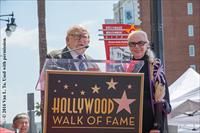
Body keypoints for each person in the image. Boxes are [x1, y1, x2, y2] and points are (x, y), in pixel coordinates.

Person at [127, 30, 171, 133]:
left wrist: (157, 125)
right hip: (127, 120)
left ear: (147, 45)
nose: (136, 47)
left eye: (141, 43)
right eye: (132, 44)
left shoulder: (155, 66)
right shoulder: (124, 66)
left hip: (150, 121)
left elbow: (162, 98)